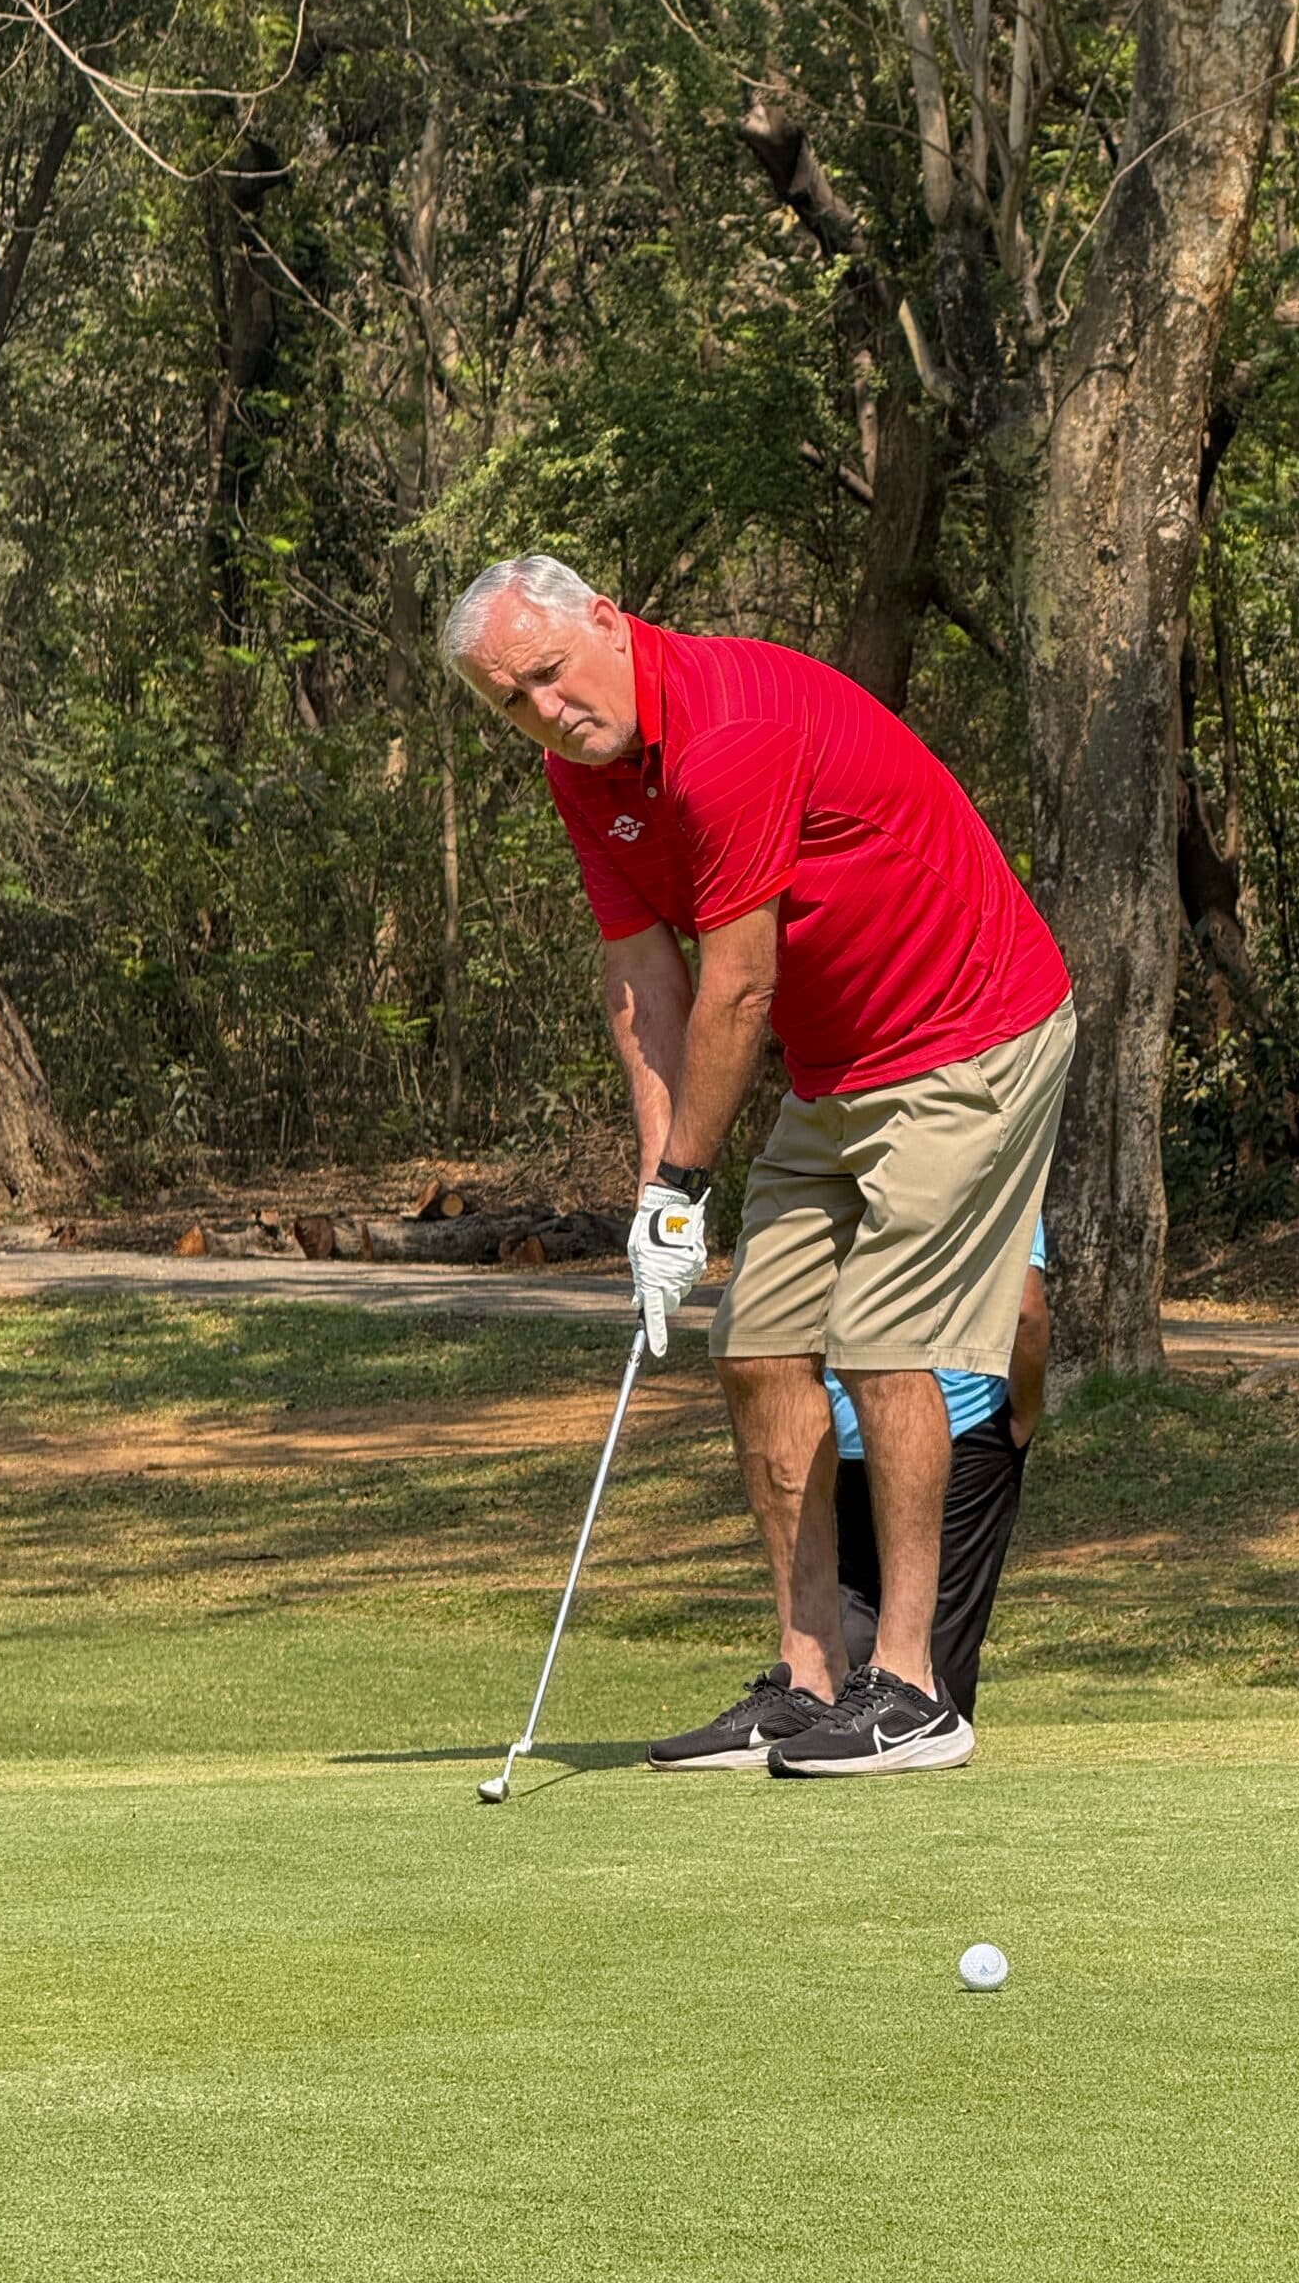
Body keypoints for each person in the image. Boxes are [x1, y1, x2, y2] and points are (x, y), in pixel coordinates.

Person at [444, 554, 1074, 1779]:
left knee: (888, 1343)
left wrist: (688, 1179)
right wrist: (655, 1193)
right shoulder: (587, 778)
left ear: (608, 627)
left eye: (550, 674)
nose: (547, 711)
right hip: (840, 1066)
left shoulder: (730, 726)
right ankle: (808, 1678)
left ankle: (912, 1689)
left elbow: (740, 983)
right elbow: (646, 977)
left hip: (969, 1030)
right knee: (761, 1345)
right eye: (511, 701)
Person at [833, 1224, 1047, 1724]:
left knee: (857, 1600)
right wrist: (1026, 1415)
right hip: (961, 1423)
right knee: (940, 1630)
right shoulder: (994, 1156)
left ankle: (841, 1739)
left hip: (852, 1423)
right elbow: (1026, 1309)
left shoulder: (844, 1158)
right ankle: (912, 1743)